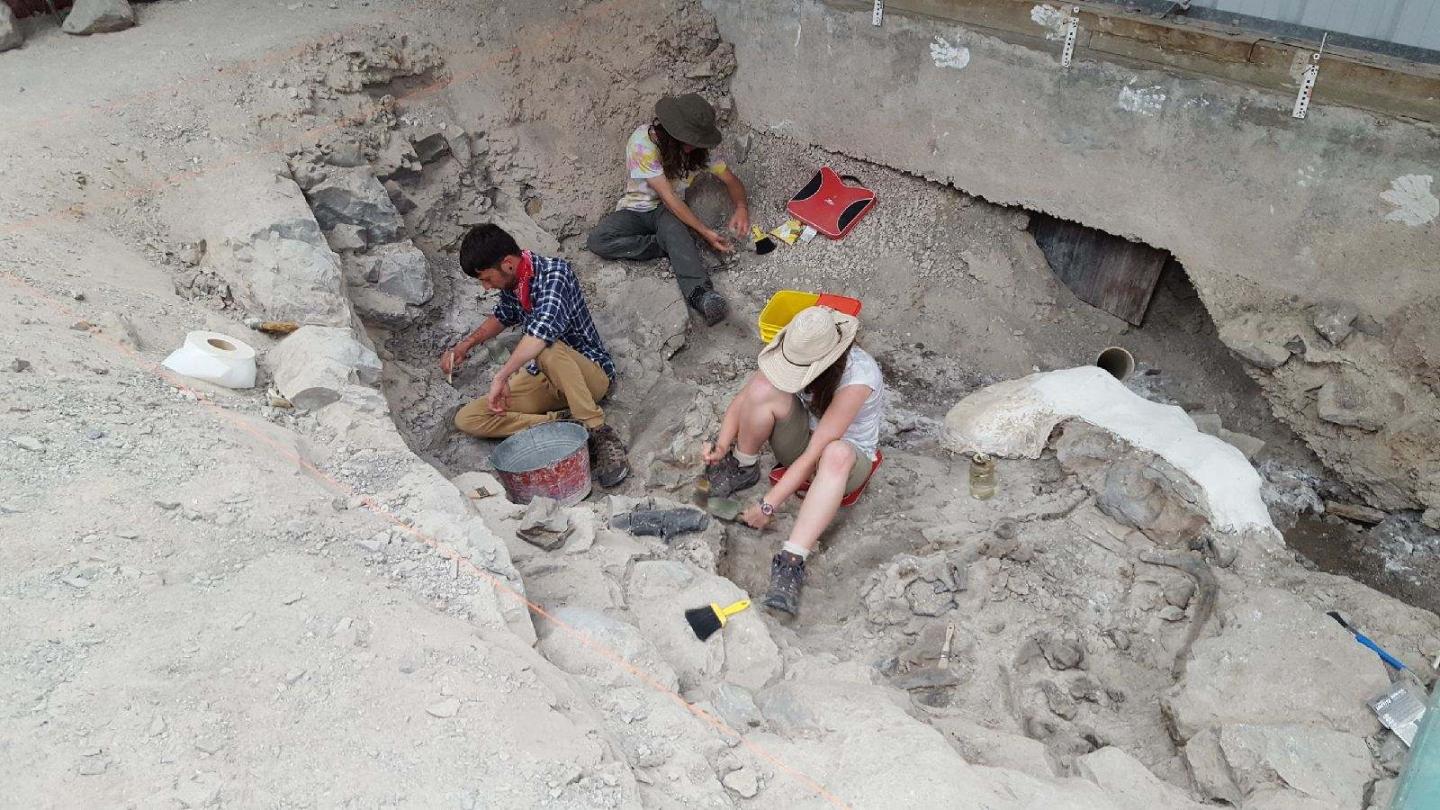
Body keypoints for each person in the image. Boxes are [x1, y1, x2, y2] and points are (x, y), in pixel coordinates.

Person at [701, 306, 887, 615]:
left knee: (836, 454)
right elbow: (746, 396)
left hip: (844, 463)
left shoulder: (858, 378)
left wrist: (767, 506)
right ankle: (742, 465)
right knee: (764, 387)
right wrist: (721, 446)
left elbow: (815, 453)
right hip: (801, 441)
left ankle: (792, 559)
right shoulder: (796, 347)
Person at [442, 224, 631, 488]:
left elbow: (540, 336)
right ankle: (562, 423)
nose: (486, 287)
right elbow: (502, 316)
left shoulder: (555, 274)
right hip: (543, 378)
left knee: (546, 348)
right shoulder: (515, 283)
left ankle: (598, 430)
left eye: (487, 279)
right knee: (469, 418)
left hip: (589, 376)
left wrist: (502, 375)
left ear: (507, 264)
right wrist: (466, 345)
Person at [586, 93, 750, 327]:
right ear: (673, 132)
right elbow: (668, 196)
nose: (693, 146)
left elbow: (731, 181)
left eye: (697, 140)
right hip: (636, 209)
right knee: (598, 240)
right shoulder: (643, 143)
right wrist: (704, 232)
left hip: (667, 212)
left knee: (674, 230)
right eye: (689, 139)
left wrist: (741, 207)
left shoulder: (700, 151)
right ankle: (665, 245)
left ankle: (702, 295)